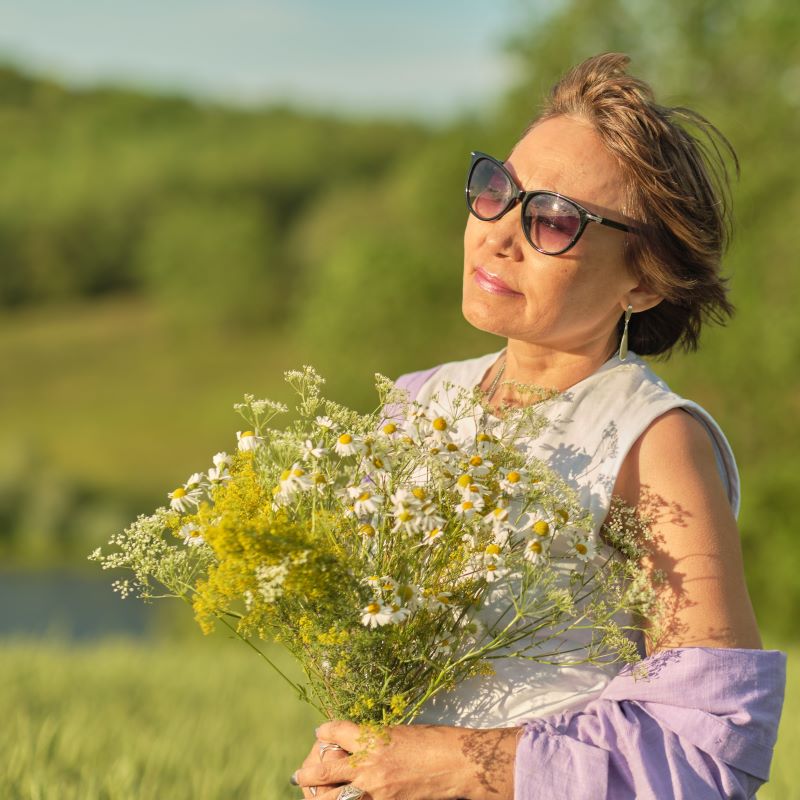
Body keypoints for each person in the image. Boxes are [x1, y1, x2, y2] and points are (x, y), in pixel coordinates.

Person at [292, 53, 786, 799]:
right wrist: (350, 753)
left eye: (552, 220)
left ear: (643, 279)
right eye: (498, 191)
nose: (499, 233)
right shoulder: (413, 403)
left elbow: (713, 749)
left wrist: (461, 768)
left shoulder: (654, 439)